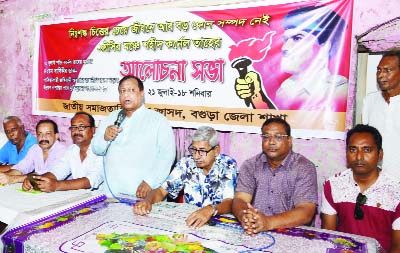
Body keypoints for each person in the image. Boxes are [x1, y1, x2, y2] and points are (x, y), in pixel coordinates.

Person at [235, 6, 348, 111]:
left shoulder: (338, 90)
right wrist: (256, 95)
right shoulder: (285, 89)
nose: (285, 47)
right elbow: (278, 121)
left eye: (297, 38)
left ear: (325, 47)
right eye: (285, 40)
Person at [134, 126, 237, 228]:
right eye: (193, 150)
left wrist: (210, 209)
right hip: (191, 221)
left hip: (218, 222)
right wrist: (148, 201)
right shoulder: (186, 163)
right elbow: (161, 191)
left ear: (216, 150)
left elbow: (229, 202)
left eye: (202, 151)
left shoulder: (227, 165)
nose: (196, 156)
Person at [91, 75, 176, 199]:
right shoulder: (111, 117)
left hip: (143, 194)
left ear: (142, 93)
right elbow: (96, 149)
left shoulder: (158, 121)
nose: (126, 95)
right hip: (112, 193)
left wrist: (149, 181)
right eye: (122, 91)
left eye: (131, 90)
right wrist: (105, 138)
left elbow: (167, 156)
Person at [321, 124, 400, 252]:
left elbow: (398, 246)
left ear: (380, 154)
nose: (359, 157)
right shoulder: (333, 185)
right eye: (353, 150)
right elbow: (329, 235)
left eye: (367, 150)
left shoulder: (396, 191)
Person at [232, 117, 318, 235]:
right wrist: (245, 216)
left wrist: (267, 222)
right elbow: (240, 199)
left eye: (278, 137)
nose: (271, 142)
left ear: (289, 140)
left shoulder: (304, 167)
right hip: (256, 229)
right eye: (266, 137)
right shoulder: (251, 165)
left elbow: (306, 211)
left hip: (292, 233)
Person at [25, 112, 103, 192]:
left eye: (82, 127)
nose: (77, 131)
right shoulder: (72, 150)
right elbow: (57, 172)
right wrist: (35, 180)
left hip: (103, 199)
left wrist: (56, 185)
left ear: (93, 130)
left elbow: (90, 181)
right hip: (79, 197)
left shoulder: (102, 151)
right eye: (73, 127)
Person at [362, 52, 400, 181]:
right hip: (378, 181)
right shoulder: (370, 100)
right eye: (379, 70)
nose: (381, 75)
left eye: (387, 70)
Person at [0, 119, 66, 185]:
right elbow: (22, 167)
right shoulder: (35, 148)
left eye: (48, 133)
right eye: (39, 134)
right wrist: (5, 175)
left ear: (56, 136)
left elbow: (48, 175)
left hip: (63, 192)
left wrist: (13, 179)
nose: (43, 137)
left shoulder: (62, 151)